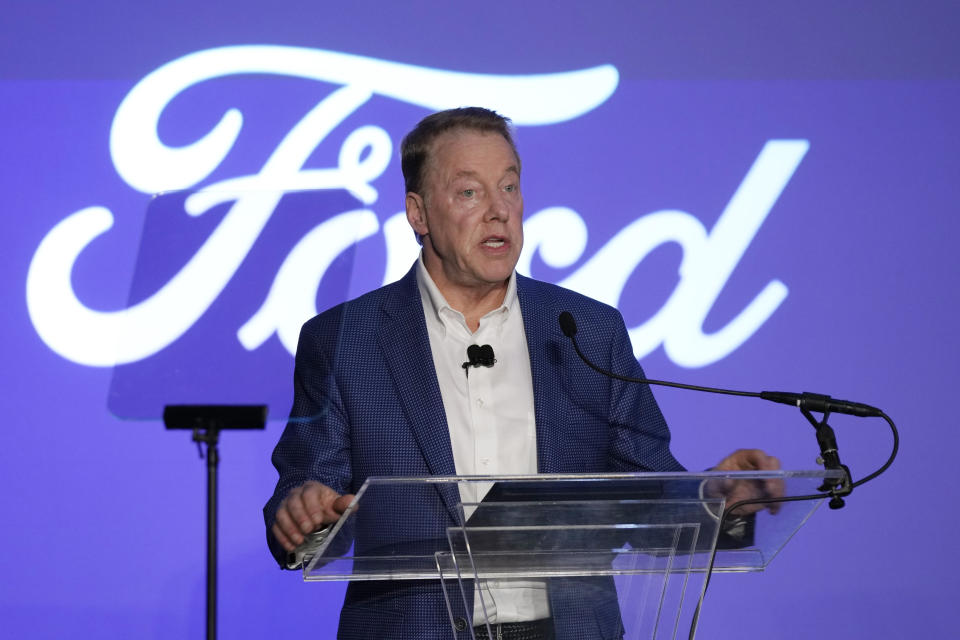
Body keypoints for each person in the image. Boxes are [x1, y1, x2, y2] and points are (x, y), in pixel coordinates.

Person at [264, 107, 780, 640]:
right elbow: (307, 490)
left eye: (509, 187)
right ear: (417, 213)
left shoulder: (587, 331)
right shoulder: (346, 339)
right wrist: (306, 514)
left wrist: (716, 499)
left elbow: (646, 493)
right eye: (470, 192)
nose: (498, 211)